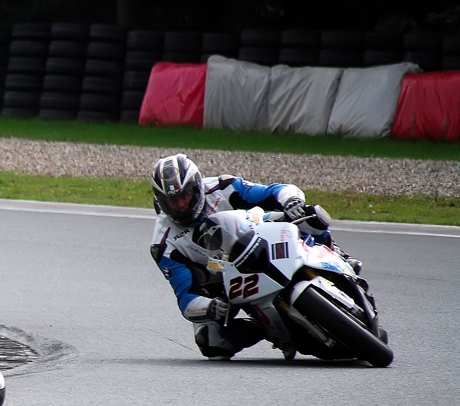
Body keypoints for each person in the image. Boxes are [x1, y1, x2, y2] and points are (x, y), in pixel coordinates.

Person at [149, 152, 362, 360]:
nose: (181, 205)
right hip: (222, 283)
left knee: (310, 215)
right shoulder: (163, 245)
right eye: (172, 201)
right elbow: (185, 296)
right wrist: (210, 306)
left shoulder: (223, 186)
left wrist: (291, 200)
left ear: (197, 187)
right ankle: (266, 329)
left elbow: (273, 191)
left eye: (185, 196)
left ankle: (338, 254)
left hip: (257, 234)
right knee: (211, 342)